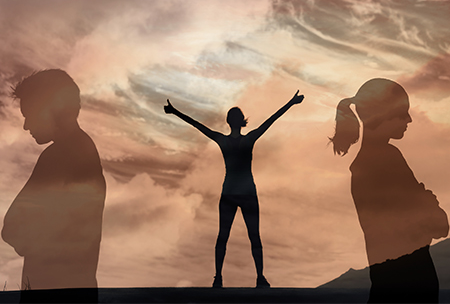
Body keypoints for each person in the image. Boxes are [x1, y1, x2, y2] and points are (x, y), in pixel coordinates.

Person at [164, 91, 304, 288]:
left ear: (229, 122)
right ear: (242, 121)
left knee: (223, 236)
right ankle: (259, 278)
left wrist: (174, 111)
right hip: (247, 194)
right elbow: (271, 120)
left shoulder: (223, 140)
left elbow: (197, 125)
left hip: (229, 193)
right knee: (253, 236)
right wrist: (291, 102)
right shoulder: (249, 139)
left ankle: (218, 278)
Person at [330, 78, 448, 303]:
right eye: (403, 112)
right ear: (381, 114)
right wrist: (427, 201)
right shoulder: (387, 160)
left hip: (391, 284)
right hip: (408, 286)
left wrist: (425, 203)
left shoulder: (367, 163)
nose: (410, 120)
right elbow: (439, 225)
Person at [2, 69, 106, 303]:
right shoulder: (85, 152)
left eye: (29, 115)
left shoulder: (58, 157)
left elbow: (11, 228)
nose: (26, 126)